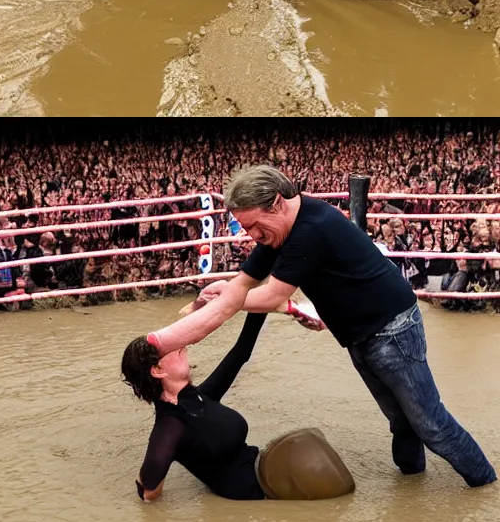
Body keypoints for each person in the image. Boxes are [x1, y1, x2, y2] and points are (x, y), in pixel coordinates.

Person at [192, 165, 495, 488]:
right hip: (361, 332)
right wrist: (226, 290)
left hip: (391, 329)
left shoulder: (309, 230)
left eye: (252, 225)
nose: (250, 235)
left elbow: (270, 296)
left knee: (430, 422)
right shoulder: (283, 227)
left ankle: (486, 485)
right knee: (401, 420)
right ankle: (411, 482)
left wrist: (225, 301)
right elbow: (247, 282)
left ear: (276, 203)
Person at [122, 306, 354, 501]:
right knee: (311, 453)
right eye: (170, 347)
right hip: (261, 493)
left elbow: (241, 352)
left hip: (268, 469)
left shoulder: (199, 396)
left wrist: (262, 302)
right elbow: (148, 492)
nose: (182, 345)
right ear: (157, 370)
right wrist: (147, 480)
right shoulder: (170, 427)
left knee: (310, 443)